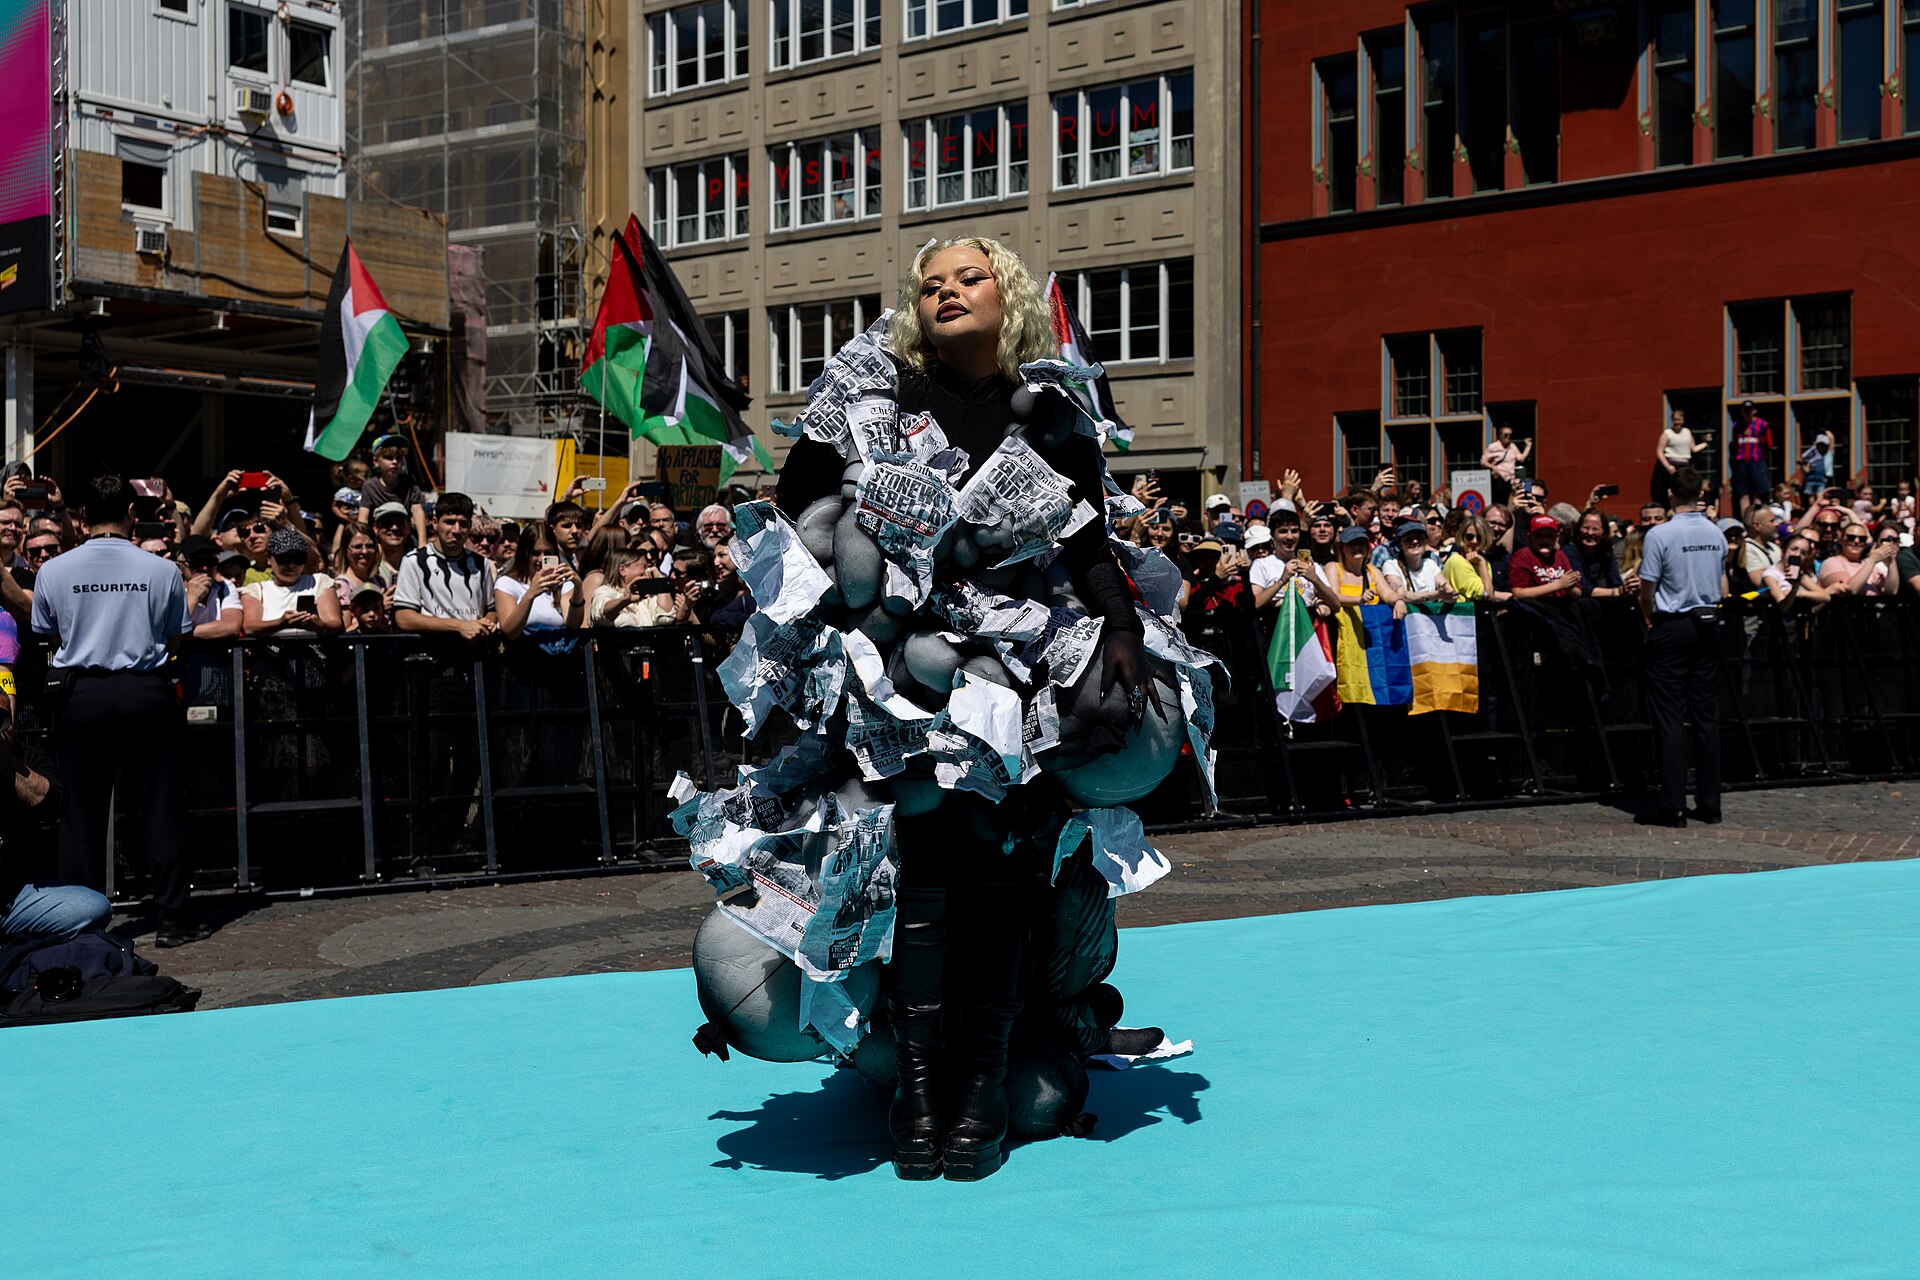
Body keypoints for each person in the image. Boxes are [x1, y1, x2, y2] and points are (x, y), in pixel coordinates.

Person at [771, 235, 1161, 1182]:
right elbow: (800, 510)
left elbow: (1087, 543)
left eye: (968, 278)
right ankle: (921, 1091)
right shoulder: (879, 399)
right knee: (924, 877)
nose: (947, 293)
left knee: (997, 874)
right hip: (898, 670)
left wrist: (1120, 631)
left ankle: (980, 1092)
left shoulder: (1052, 412)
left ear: (1007, 295)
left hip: (1010, 672)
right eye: (931, 285)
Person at [30, 475, 203, 946]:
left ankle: (78, 927)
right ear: (132, 513)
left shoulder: (54, 570)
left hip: (81, 694)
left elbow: (50, 635)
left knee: (80, 815)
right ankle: (172, 920)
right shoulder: (161, 569)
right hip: (145, 690)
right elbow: (175, 635)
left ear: (81, 518)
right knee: (160, 807)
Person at [1636, 467, 1727, 827]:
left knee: (1670, 717)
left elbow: (1647, 588)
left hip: (1673, 624)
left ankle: (1672, 805)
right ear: (1701, 493)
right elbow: (1720, 581)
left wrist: (1649, 617)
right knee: (1706, 717)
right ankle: (1710, 803)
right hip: (1708, 622)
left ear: (1671, 494)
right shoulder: (1716, 532)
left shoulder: (1661, 534)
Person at [391, 492, 497, 639]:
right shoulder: (414, 561)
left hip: (473, 655)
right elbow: (403, 618)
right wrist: (459, 626)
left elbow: (491, 609)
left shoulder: (481, 563)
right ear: (435, 523)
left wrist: (487, 624)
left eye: (463, 524)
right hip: (433, 655)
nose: (457, 530)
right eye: (450, 522)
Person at [240, 529, 344, 637]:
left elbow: (334, 622)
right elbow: (250, 627)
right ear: (269, 558)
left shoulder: (319, 582)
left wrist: (319, 625)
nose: (291, 564)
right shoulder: (256, 590)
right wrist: (280, 623)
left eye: (298, 558)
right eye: (284, 558)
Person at [494, 525, 583, 639]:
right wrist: (531, 593)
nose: (541, 559)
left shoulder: (564, 584)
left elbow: (573, 625)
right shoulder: (507, 583)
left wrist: (578, 587)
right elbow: (509, 631)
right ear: (524, 553)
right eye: (536, 553)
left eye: (548, 553)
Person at [1377, 519, 1456, 620]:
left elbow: (1448, 591)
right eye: (1408, 539)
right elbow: (1400, 595)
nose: (1415, 541)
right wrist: (1436, 595)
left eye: (1419, 538)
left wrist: (1449, 596)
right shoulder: (1391, 565)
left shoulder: (1430, 564)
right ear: (1400, 544)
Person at [359, 435, 429, 545]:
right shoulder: (370, 486)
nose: (395, 462)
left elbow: (417, 511)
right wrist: (365, 542)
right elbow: (363, 518)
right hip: (381, 537)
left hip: (403, 535)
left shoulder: (409, 482)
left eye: (399, 458)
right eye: (388, 458)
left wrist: (422, 542)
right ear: (376, 462)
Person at [587, 546, 678, 627]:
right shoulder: (605, 591)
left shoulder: (647, 596)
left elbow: (666, 619)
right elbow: (601, 613)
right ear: (623, 570)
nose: (649, 570)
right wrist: (624, 600)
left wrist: (660, 579)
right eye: (644, 566)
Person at [178, 535, 242, 641]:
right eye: (196, 562)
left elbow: (232, 626)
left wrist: (185, 634)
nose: (205, 568)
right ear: (181, 566)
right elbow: (171, 627)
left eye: (210, 562)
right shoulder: (172, 590)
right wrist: (192, 598)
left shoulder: (225, 587)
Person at [1507, 516, 1580, 601]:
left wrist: (1569, 586)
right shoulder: (1523, 555)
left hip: (1560, 607)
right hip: (1534, 608)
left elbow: (1577, 592)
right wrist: (1558, 585)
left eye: (1550, 535)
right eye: (1539, 535)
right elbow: (1518, 594)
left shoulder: (1560, 555)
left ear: (1557, 538)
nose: (1545, 540)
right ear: (1529, 537)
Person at [1817, 522, 1897, 597]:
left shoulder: (1867, 564)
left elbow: (1891, 591)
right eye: (1851, 537)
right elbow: (1850, 590)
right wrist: (1872, 560)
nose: (1856, 541)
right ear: (1841, 540)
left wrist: (1891, 560)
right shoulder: (1831, 562)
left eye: (1862, 539)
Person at [1758, 533, 1831, 611]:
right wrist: (1794, 590)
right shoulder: (1770, 575)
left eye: (1803, 553)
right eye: (1793, 549)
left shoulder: (1800, 575)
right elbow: (1783, 607)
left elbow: (1826, 597)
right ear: (1784, 550)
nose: (1797, 554)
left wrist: (1799, 593)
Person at [1568, 509, 1628, 600]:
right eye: (1585, 528)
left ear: (1604, 533)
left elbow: (1615, 580)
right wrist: (1616, 592)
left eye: (1595, 529)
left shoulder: (1606, 552)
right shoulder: (1570, 551)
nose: (1590, 533)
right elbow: (1583, 588)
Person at [1729, 400, 1773, 515]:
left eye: (1749, 411)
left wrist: (1762, 456)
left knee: (1757, 493)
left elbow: (1768, 445)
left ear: (1754, 411)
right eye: (1744, 411)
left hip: (1757, 461)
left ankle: (1755, 518)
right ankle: (1745, 522)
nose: (1746, 413)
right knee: (1743, 493)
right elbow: (1734, 444)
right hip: (1741, 462)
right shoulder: (1737, 425)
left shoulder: (1762, 424)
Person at [1651, 408, 1696, 508]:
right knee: (1672, 489)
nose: (1677, 422)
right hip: (1672, 465)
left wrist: (1706, 442)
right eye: (1674, 419)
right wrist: (1668, 466)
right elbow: (1659, 451)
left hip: (1685, 465)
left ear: (1683, 420)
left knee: (1684, 488)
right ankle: (1670, 509)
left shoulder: (1687, 432)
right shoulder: (1667, 433)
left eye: (1679, 419)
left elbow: (1694, 449)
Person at [1481, 423, 1531, 506]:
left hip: (1510, 478)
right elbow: (1483, 461)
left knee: (1511, 500)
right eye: (1505, 435)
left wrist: (1528, 446)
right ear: (1500, 436)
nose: (1508, 437)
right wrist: (1493, 467)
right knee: (1499, 501)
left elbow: (1521, 458)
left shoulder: (1512, 446)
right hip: (1499, 477)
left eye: (1510, 435)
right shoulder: (1493, 447)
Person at [1740, 505, 1783, 591]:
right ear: (1756, 526)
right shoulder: (1747, 549)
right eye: (1772, 521)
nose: (1777, 524)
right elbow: (1761, 583)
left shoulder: (1775, 548)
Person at [1798, 432, 1833, 504]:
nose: (1822, 447)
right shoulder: (1811, 455)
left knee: (1820, 498)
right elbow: (1806, 469)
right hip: (1811, 479)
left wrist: (1828, 433)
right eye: (1820, 445)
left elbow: (1832, 443)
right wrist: (1803, 466)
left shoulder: (1827, 455)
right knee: (1811, 499)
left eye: (1824, 445)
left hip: (1821, 480)